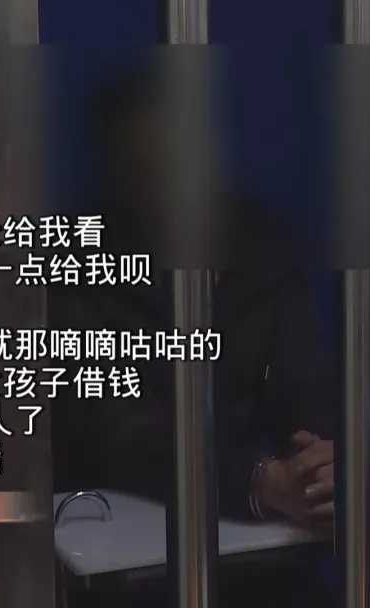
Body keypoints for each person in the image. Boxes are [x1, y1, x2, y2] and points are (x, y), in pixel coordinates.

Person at [50, 63, 339, 529]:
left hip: (242, 532)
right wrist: (260, 482)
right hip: (116, 534)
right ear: (120, 176)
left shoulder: (258, 248)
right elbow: (124, 437)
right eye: (148, 167)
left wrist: (323, 461)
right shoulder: (78, 268)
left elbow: (307, 385)